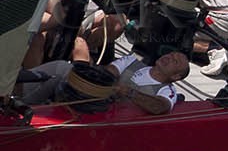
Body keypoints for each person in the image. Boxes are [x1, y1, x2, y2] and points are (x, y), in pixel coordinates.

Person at [15, 49, 190, 114]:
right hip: (93, 99)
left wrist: (129, 93)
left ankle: (22, 105)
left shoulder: (168, 91)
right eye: (171, 54)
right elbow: (108, 73)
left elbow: (161, 107)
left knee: (62, 71)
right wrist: (112, 86)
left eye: (175, 61)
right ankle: (14, 93)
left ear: (176, 77)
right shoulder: (131, 61)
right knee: (62, 68)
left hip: (107, 115)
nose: (169, 57)